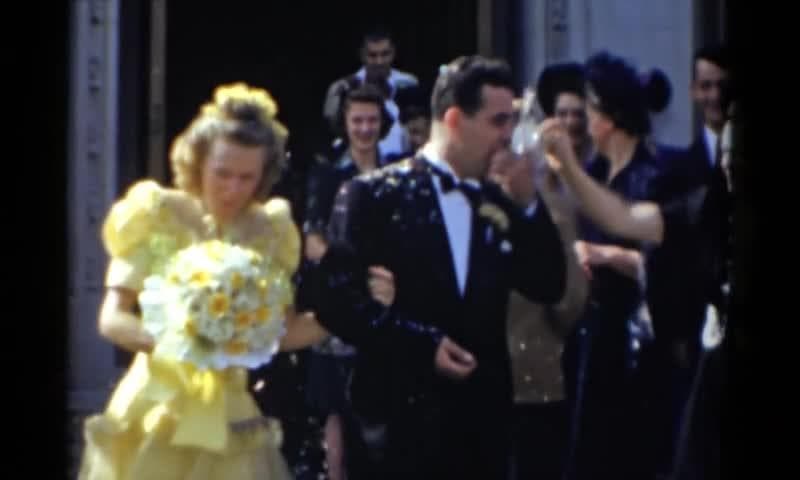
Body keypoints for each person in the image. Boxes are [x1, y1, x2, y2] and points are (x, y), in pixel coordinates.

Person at [77, 82, 393, 480]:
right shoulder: (157, 215)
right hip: (156, 410)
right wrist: (184, 345)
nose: (232, 188)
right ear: (197, 161)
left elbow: (281, 334)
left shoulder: (269, 230)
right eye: (222, 173)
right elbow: (112, 318)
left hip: (232, 416)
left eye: (247, 177)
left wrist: (355, 308)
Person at [306, 55, 567, 479]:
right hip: (397, 430)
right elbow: (335, 300)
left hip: (483, 433)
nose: (508, 137)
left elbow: (548, 283)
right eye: (498, 122)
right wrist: (421, 344)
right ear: (455, 120)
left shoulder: (495, 203)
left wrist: (530, 204)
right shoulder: (372, 195)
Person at [539, 102, 733, 480]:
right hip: (690, 362)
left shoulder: (659, 171)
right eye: (727, 155)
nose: (731, 165)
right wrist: (566, 167)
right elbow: (622, 217)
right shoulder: (708, 208)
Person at [554, 51, 674, 479]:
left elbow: (667, 260)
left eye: (589, 109)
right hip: (589, 340)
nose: (582, 119)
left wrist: (603, 254)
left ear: (609, 114)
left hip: (637, 349)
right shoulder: (594, 171)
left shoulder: (657, 174)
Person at [302, 83, 396, 480]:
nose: (364, 128)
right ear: (345, 123)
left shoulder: (400, 173)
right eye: (357, 120)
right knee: (337, 411)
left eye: (372, 120)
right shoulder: (327, 176)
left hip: (390, 302)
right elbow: (312, 242)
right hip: (341, 304)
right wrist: (352, 274)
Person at [322, 27, 419, 158]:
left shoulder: (408, 83)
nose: (379, 61)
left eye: (385, 54)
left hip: (402, 158)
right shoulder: (344, 88)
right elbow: (332, 131)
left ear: (394, 53)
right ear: (362, 55)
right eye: (373, 55)